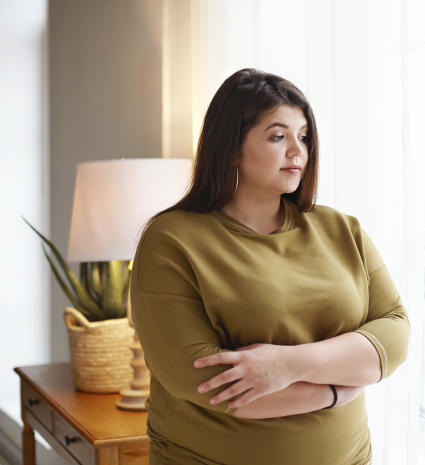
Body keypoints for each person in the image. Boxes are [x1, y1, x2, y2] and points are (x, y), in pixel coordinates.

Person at [130, 68, 410, 465]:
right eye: (278, 136)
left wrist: (287, 365)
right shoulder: (172, 240)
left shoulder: (340, 229)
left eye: (304, 136)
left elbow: (394, 333)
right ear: (231, 147)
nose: (297, 151)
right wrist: (340, 389)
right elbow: (215, 386)